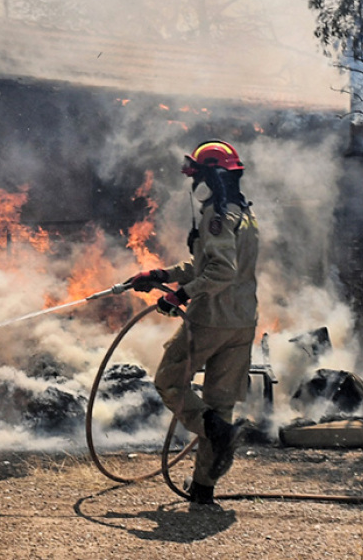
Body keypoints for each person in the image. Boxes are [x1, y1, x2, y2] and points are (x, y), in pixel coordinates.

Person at [125, 140, 260, 507]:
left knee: (169, 381)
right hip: (242, 322)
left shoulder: (216, 215)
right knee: (219, 404)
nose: (194, 184)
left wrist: (180, 296)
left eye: (197, 176)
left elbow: (220, 271)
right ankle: (203, 489)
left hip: (211, 319)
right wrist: (161, 274)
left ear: (211, 177)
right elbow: (207, 265)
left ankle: (218, 434)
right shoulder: (242, 213)